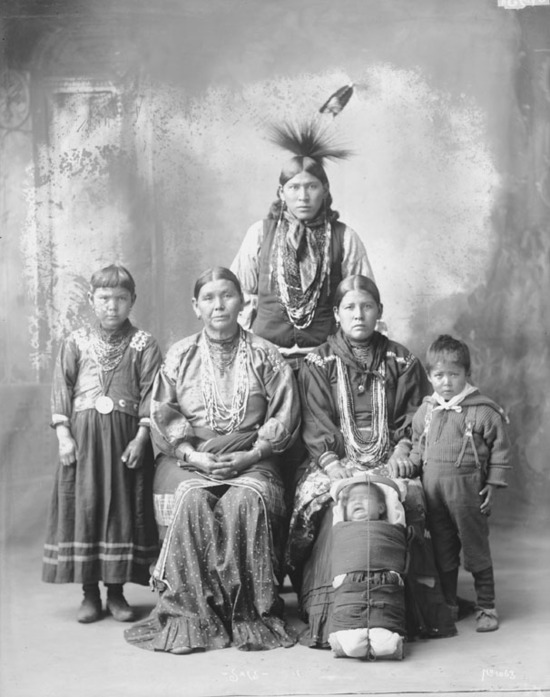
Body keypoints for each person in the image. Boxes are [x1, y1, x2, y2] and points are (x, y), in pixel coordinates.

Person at [124, 267, 300, 654]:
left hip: (252, 456)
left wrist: (252, 454)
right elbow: (163, 414)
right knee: (191, 499)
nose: (218, 305)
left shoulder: (265, 354)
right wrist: (194, 456)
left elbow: (284, 415)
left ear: (243, 302)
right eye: (209, 298)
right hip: (187, 457)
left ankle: (249, 612)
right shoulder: (180, 354)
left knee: (247, 499)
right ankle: (191, 615)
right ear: (195, 306)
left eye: (227, 295)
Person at [286, 275, 457, 648]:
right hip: (333, 459)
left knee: (407, 498)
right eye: (349, 307)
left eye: (366, 306)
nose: (358, 314)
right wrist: (333, 466)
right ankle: (331, 608)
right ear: (336, 314)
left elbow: (417, 414)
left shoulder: (401, 359)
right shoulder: (318, 361)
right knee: (326, 501)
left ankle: (400, 608)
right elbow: (315, 423)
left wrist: (402, 450)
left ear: (379, 311)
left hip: (390, 457)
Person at [231, 120, 375, 491]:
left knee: (319, 453)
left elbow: (361, 301)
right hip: (267, 363)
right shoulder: (260, 234)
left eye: (312, 187)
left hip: (324, 364)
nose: (303, 195)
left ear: (325, 191)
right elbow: (238, 294)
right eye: (294, 187)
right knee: (267, 452)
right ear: (282, 192)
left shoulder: (345, 238)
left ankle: (308, 535)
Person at [43, 264, 162, 624]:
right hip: (83, 441)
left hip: (126, 442)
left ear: (132, 301)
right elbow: (61, 387)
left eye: (121, 299)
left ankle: (116, 593)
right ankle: (89, 593)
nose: (112, 306)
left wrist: (143, 437)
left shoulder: (145, 344)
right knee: (87, 508)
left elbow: (153, 394)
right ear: (93, 301)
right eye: (105, 298)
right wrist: (64, 434)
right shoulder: (75, 341)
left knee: (122, 512)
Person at [408, 334, 511, 633]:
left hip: (467, 493)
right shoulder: (426, 411)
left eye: (454, 374)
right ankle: (449, 603)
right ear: (429, 377)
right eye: (439, 375)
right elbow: (418, 446)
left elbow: (500, 450)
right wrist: (406, 467)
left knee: (475, 548)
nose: (447, 382)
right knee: (442, 548)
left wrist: (492, 485)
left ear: (467, 374)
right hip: (433, 493)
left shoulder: (482, 410)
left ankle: (487, 606)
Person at [327, 476, 408, 661]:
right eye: (352, 500)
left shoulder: (392, 526)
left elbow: (395, 494)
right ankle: (346, 640)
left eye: (365, 498)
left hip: (385, 586)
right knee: (354, 646)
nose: (357, 501)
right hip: (350, 588)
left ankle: (384, 640)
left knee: (385, 646)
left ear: (381, 508)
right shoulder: (342, 526)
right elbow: (337, 491)